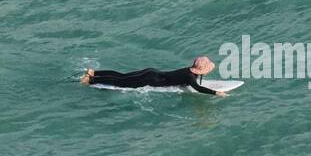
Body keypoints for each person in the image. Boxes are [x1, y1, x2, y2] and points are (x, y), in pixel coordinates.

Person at [80, 56, 227, 96]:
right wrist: (216, 92)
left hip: (152, 72)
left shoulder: (188, 71)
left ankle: (94, 72)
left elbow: (192, 82)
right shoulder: (190, 77)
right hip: (149, 80)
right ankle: (90, 80)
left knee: (122, 76)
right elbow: (198, 88)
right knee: (120, 82)